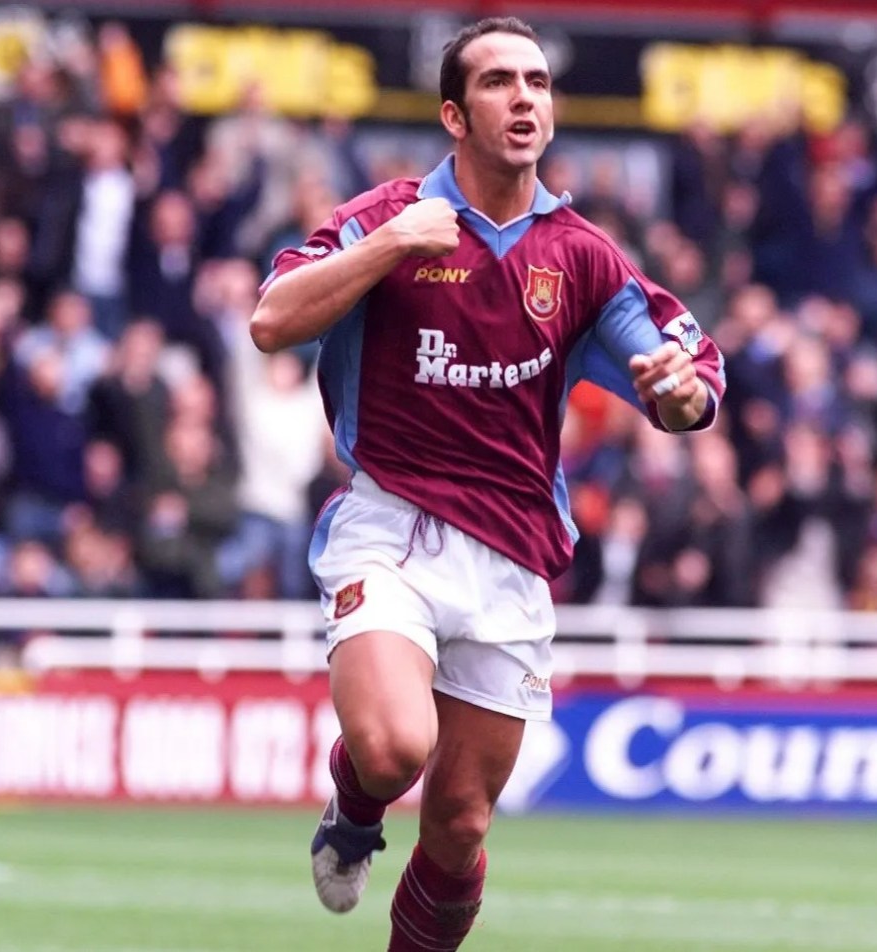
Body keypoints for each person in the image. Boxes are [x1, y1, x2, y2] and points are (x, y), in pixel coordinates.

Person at [250, 16, 725, 952]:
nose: (525, 99)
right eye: (501, 82)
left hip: (512, 555)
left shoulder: (581, 255)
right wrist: (389, 247)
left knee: (462, 822)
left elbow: (687, 374)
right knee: (394, 748)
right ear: (453, 116)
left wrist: (678, 397)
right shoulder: (385, 217)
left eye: (538, 83)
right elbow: (272, 320)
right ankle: (356, 803)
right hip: (390, 526)